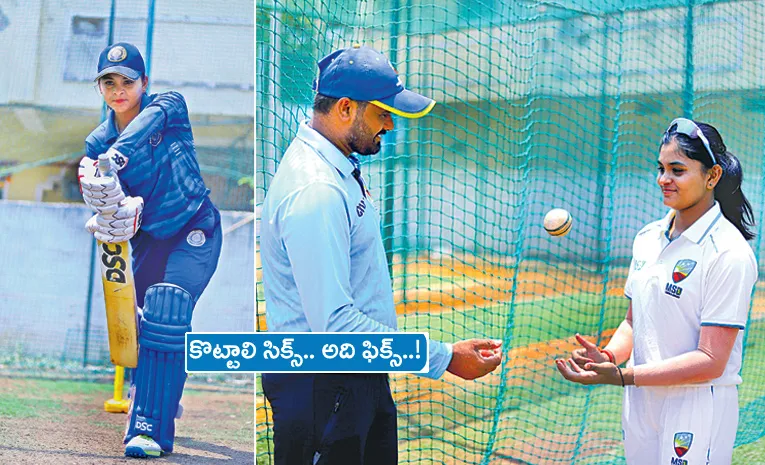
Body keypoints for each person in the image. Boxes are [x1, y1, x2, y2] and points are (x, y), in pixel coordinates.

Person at [259, 45, 504, 465]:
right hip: (323, 385)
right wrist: (443, 358)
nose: (390, 124)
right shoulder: (316, 190)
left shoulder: (338, 167)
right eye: (382, 113)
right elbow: (334, 326)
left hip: (353, 377)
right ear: (345, 109)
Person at [555, 118, 757, 465]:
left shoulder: (729, 252)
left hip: (695, 405)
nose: (664, 179)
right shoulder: (648, 237)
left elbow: (711, 361)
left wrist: (623, 377)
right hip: (641, 400)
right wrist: (608, 357)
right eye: (661, 169)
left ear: (712, 177)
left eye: (677, 170)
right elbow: (634, 322)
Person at [78, 42, 223, 458]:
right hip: (145, 242)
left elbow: (143, 128)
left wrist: (115, 158)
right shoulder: (97, 142)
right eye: (109, 82)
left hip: (195, 227)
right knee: (142, 326)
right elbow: (104, 193)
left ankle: (146, 428)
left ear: (145, 82)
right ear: (100, 88)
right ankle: (162, 390)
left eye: (128, 81)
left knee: (167, 308)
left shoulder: (169, 106)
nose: (118, 89)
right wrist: (104, 206)